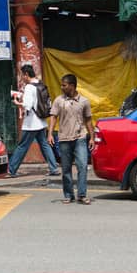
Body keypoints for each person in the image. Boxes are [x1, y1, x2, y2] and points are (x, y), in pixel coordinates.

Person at [7, 63, 59, 180]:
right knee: (45, 145)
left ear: (26, 74)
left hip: (31, 124)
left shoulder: (29, 87)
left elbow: (28, 105)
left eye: (22, 75)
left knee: (22, 146)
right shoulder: (40, 84)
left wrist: (18, 103)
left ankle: (11, 169)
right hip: (41, 121)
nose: (22, 78)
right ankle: (53, 168)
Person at [50, 73, 94, 205]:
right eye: (62, 85)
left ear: (72, 86)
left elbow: (88, 120)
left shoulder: (84, 101)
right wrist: (50, 133)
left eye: (64, 85)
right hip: (64, 138)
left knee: (82, 166)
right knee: (66, 169)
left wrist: (92, 137)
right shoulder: (59, 101)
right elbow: (53, 117)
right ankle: (68, 195)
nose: (62, 87)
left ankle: (82, 194)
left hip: (80, 138)